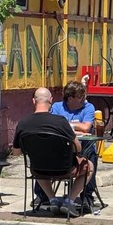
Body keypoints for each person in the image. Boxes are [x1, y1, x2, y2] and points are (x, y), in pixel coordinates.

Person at [12, 87, 94, 218]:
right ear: (50, 100)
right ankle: (69, 201)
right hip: (65, 169)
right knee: (89, 166)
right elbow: (78, 148)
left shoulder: (23, 123)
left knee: (37, 162)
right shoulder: (61, 121)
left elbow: (16, 152)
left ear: (33, 101)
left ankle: (52, 200)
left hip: (38, 169)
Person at [33, 80, 98, 212]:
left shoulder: (88, 107)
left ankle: (86, 196)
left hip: (82, 147)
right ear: (70, 98)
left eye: (84, 95)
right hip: (60, 148)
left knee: (91, 154)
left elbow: (86, 127)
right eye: (80, 97)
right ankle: (42, 195)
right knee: (42, 156)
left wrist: (66, 125)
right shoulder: (57, 107)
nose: (84, 99)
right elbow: (53, 126)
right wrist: (71, 127)